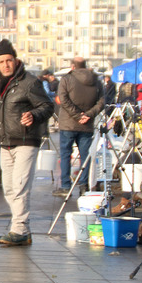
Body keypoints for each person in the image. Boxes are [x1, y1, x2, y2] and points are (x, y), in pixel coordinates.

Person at [0, 39, 54, 247]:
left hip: (26, 140)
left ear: (15, 60)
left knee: (20, 186)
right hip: (5, 142)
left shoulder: (29, 82)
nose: (6, 65)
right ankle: (22, 229)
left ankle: (20, 229)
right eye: (1, 61)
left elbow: (47, 106)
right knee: (8, 188)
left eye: (9, 60)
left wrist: (33, 115)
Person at [54, 57, 104, 197]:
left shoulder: (66, 79)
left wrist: (76, 115)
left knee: (65, 155)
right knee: (85, 156)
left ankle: (65, 187)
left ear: (73, 66)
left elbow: (63, 99)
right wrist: (88, 115)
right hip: (86, 125)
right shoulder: (96, 80)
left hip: (68, 124)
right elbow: (101, 102)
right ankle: (84, 185)